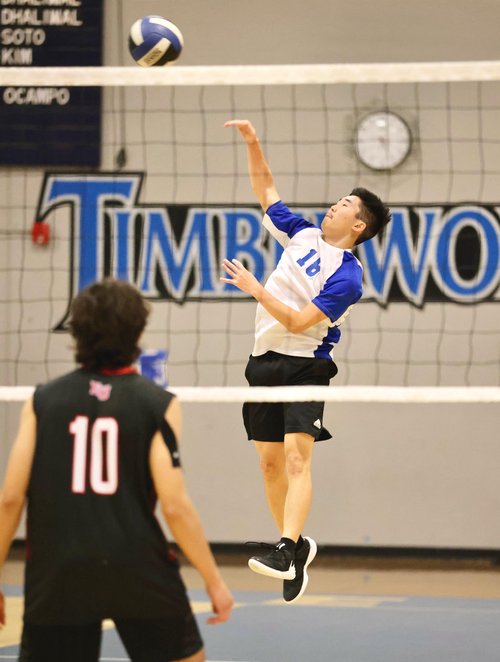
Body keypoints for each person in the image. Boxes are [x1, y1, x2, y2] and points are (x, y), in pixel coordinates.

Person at [0, 279, 233, 662]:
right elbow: (174, 506)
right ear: (138, 330)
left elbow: (10, 498)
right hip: (137, 565)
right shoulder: (158, 403)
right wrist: (214, 581)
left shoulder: (41, 402)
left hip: (59, 571)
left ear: (76, 331)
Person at [221, 119, 391, 604]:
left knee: (296, 458)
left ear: (358, 226)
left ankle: (286, 545)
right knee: (269, 466)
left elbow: (299, 323)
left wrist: (256, 289)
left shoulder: (348, 278)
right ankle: (294, 548)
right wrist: (254, 142)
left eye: (345, 205)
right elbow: (265, 189)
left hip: (305, 366)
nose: (334, 205)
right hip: (262, 364)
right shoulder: (301, 234)